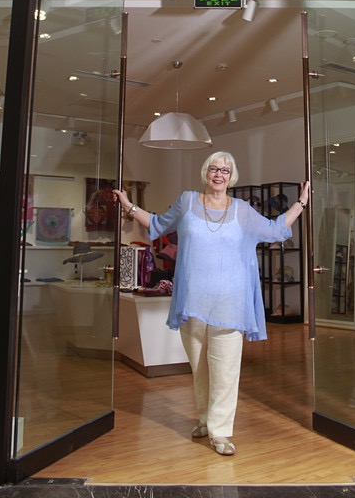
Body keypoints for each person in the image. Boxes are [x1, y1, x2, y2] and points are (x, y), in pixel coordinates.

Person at [113, 151, 309, 457]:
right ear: (206, 172)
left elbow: (274, 229)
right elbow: (157, 224)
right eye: (214, 169)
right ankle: (205, 420)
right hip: (193, 303)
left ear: (232, 177)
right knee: (200, 369)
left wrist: (301, 203)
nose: (219, 174)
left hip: (230, 304)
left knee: (225, 371)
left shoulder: (242, 210)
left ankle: (221, 432)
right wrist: (129, 205)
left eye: (225, 170)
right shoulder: (187, 202)